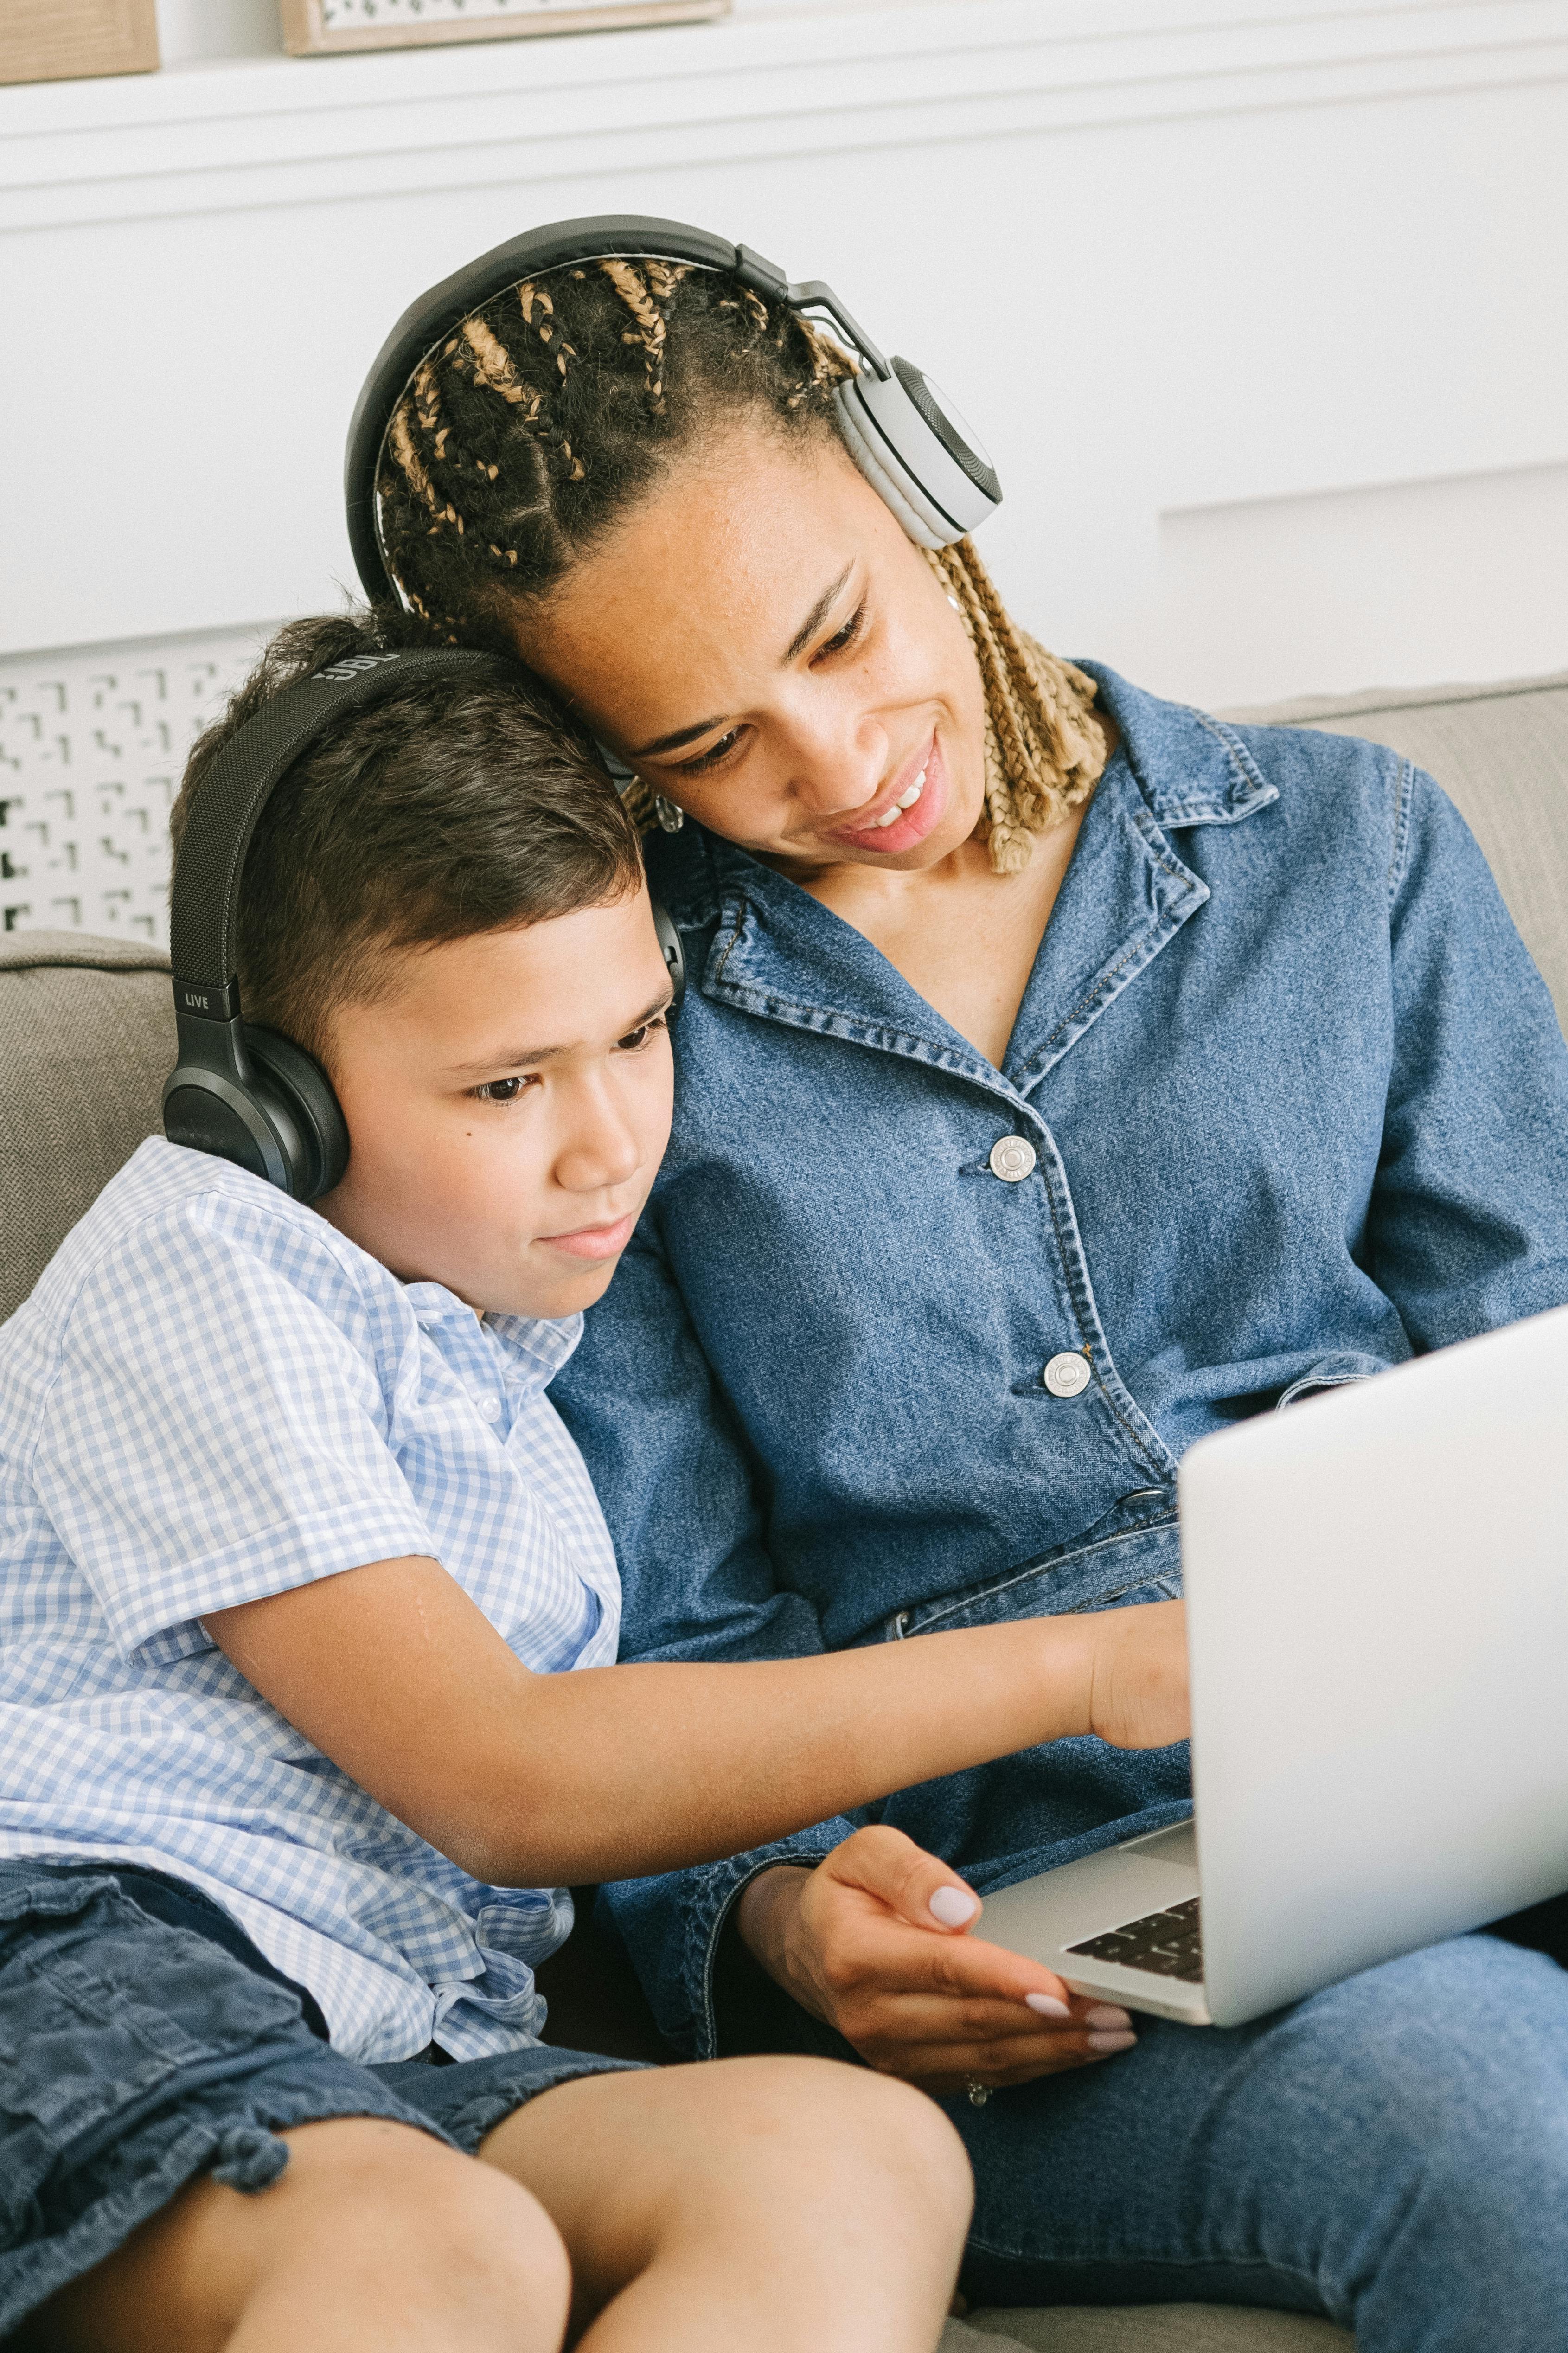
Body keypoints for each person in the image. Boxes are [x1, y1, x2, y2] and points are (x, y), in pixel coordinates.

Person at [362, 231, 1568, 2349]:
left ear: (913, 461)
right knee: (1484, 2096)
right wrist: (786, 1922)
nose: (834, 764)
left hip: (1477, 1789)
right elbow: (660, 1638)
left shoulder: (1351, 849)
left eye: (836, 631)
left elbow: (1536, 1377)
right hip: (1034, 1955)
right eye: (705, 743)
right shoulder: (611, 1070)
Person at [0, 615, 1190, 2353]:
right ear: (272, 1103)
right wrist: (1083, 1666)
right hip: (74, 1953)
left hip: (383, 2031)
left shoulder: (508, 1362)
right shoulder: (205, 1264)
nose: (612, 1140)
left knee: (849, 2151)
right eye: (506, 1083)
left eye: (637, 1034)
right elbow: (503, 1778)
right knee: (434, 2257)